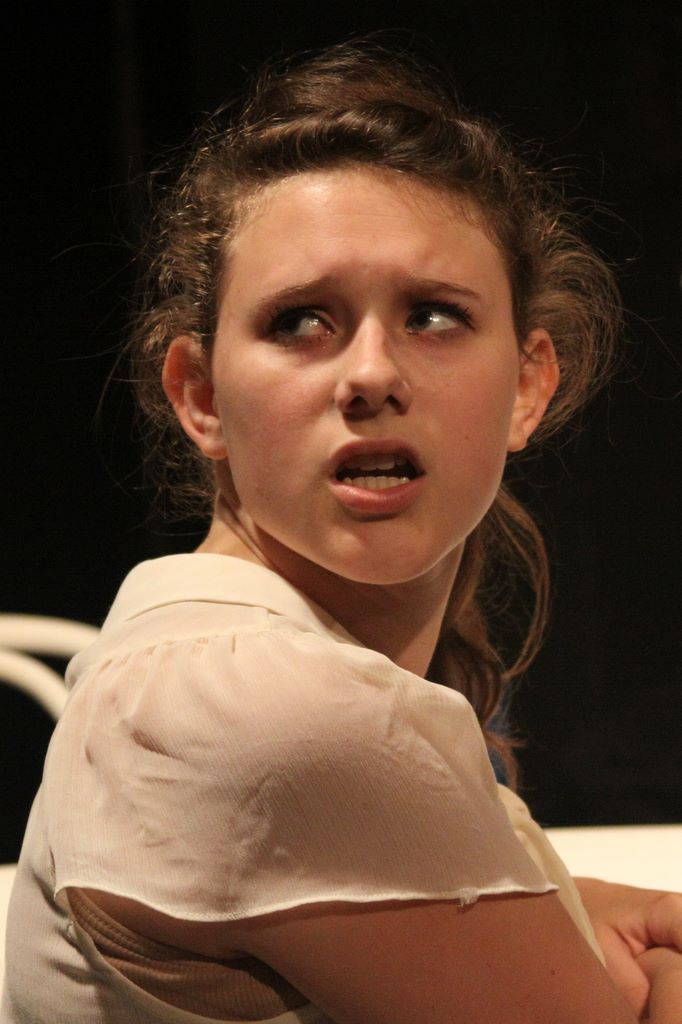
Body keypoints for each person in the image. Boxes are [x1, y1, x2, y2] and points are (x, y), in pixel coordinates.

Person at [2, 39, 681, 1024]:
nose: (371, 374)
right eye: (301, 321)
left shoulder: (192, 632)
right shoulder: (272, 704)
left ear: (529, 384)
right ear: (199, 394)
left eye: (433, 316)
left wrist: (570, 912)